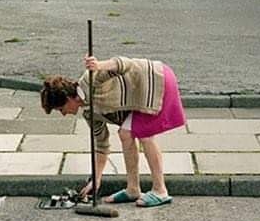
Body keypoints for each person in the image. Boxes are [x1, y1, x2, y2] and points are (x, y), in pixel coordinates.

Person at [40, 54, 186, 208]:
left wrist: (99, 65)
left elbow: (124, 64)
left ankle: (160, 190)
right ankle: (133, 189)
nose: (63, 114)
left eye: (61, 109)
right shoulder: (89, 113)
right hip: (139, 98)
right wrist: (95, 180)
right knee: (126, 134)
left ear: (68, 98)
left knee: (145, 135)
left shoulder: (91, 80)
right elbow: (102, 146)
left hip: (156, 80)